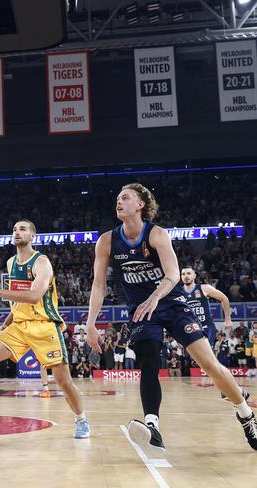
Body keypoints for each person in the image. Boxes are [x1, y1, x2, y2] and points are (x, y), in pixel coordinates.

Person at [85, 183, 257, 454]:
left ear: (141, 204)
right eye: (117, 198)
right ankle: (152, 427)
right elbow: (98, 285)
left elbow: (173, 274)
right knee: (149, 359)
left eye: (125, 197)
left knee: (209, 365)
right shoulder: (106, 241)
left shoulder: (156, 234)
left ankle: (245, 414)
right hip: (142, 311)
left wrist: (155, 297)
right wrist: (90, 322)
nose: (119, 201)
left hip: (173, 304)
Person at [0, 220, 90, 438]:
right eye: (15, 229)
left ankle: (81, 419)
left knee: (64, 382)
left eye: (23, 229)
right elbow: (18, 300)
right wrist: (8, 321)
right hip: (19, 326)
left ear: (33, 236)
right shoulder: (10, 263)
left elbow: (34, 296)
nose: (17, 232)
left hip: (44, 327)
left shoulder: (41, 262)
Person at [179, 266, 232, 347]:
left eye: (189, 273)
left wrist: (228, 319)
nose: (186, 276)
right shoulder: (178, 292)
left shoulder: (204, 288)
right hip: (189, 328)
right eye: (183, 274)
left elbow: (224, 298)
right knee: (196, 358)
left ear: (194, 276)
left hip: (206, 326)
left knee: (204, 352)